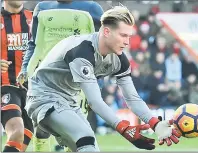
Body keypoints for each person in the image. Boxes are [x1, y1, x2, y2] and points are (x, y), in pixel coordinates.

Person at [25, 6, 181, 152]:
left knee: (90, 147)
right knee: (85, 137)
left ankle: (43, 131)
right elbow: (95, 101)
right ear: (106, 32)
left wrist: (156, 124)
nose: (127, 42)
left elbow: (132, 98)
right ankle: (42, 129)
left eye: (129, 36)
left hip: (69, 101)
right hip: (43, 97)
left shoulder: (119, 59)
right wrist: (124, 128)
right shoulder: (82, 51)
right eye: (123, 35)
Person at [16, 0, 104, 152]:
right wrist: (25, 69)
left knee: (75, 131)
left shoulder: (93, 9)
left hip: (78, 82)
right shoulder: (42, 8)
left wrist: (98, 82)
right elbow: (34, 43)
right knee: (42, 128)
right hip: (44, 80)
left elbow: (100, 47)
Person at [1, 1, 34, 152]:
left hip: (32, 89)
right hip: (5, 85)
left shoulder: (35, 18)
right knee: (16, 132)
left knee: (23, 138)